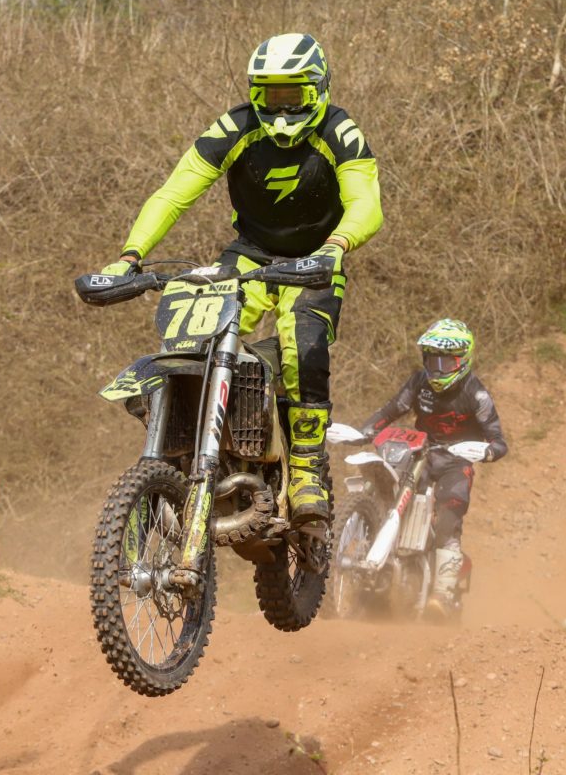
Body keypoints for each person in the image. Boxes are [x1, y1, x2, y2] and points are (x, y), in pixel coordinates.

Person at [98, 33, 383, 524]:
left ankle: (307, 468)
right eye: (271, 95)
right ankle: (185, 443)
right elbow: (174, 193)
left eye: (292, 95)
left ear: (317, 89)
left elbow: (366, 203)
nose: (281, 109)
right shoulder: (236, 126)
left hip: (316, 257)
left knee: (302, 344)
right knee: (194, 333)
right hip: (250, 255)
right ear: (255, 93)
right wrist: (130, 255)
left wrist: (336, 246)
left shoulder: (340, 129)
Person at [358, 319, 507, 617]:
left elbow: (499, 442)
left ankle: (443, 594)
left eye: (446, 362)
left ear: (463, 360)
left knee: (449, 515)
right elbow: (392, 409)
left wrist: (486, 451)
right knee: (386, 492)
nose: (438, 369)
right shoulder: (419, 382)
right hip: (420, 453)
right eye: (432, 360)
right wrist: (365, 431)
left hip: (456, 461)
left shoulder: (477, 395)